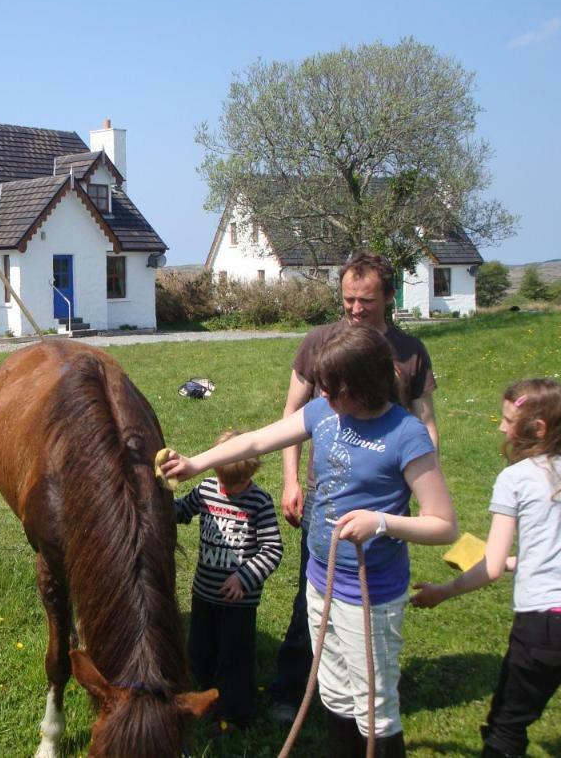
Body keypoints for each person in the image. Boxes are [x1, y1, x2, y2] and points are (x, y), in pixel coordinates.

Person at [162, 324, 457, 757]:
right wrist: (196, 463)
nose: (321, 394)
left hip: (370, 594)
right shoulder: (325, 413)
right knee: (334, 693)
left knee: (373, 704)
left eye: (330, 387)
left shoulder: (406, 435)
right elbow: (258, 439)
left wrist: (382, 522)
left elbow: (443, 524)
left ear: (362, 385)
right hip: (321, 581)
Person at [412, 379, 561, 758]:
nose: (501, 427)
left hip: (545, 624)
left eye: (507, 419)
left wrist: (443, 592)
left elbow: (493, 568)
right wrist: (517, 560)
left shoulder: (514, 479)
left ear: (538, 429)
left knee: (507, 728)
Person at [272, 252, 439, 723]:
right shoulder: (321, 343)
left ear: (389, 295)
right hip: (327, 498)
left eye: (366, 300)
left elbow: (426, 424)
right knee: (313, 594)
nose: (356, 309)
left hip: (383, 498)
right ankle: (298, 688)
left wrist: (425, 487)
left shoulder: (410, 352)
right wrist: (290, 479)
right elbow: (293, 414)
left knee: (367, 603)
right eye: (348, 299)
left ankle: (368, 699)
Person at [174, 430, 283, 730]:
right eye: (224, 482)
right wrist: (158, 502)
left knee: (235, 657)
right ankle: (207, 698)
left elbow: (273, 549)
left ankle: (236, 713)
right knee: (199, 650)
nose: (229, 490)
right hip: (204, 594)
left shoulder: (259, 501)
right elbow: (180, 510)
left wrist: (244, 578)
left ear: (252, 474)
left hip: (239, 602)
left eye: (236, 485)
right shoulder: (208, 489)